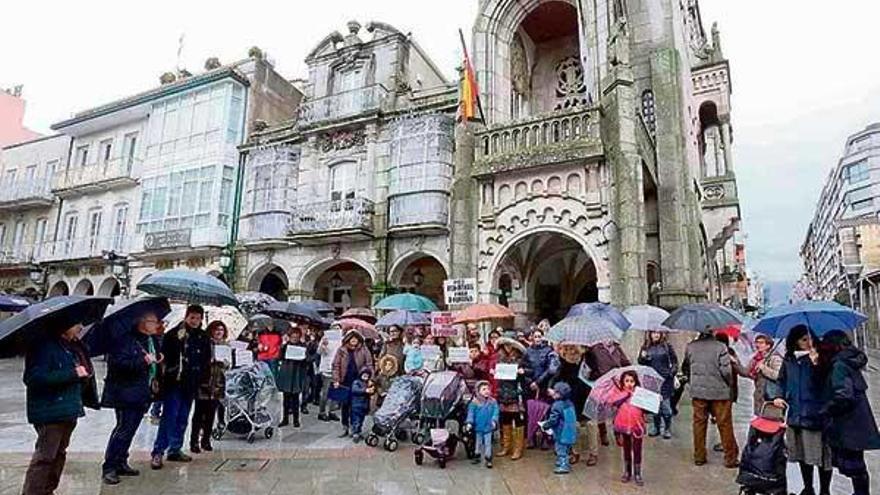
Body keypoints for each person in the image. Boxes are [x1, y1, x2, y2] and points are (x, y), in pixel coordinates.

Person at [22, 322, 96, 495]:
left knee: (59, 454)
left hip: (68, 408)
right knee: (45, 457)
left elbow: (82, 370)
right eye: (76, 323)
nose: (80, 327)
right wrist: (72, 373)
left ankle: (48, 490)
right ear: (63, 324)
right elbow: (33, 378)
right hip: (51, 410)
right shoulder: (43, 347)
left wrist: (83, 376)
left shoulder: (73, 346)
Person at [767, 325, 832, 495]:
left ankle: (825, 490)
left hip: (816, 414)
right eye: (804, 340)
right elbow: (781, 380)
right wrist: (778, 396)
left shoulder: (821, 357)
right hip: (795, 413)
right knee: (803, 455)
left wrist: (817, 363)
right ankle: (808, 487)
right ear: (795, 341)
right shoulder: (789, 359)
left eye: (810, 338)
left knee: (822, 456)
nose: (808, 343)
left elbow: (826, 383)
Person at [101, 312, 163, 485]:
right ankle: (110, 467)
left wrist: (157, 361)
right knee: (123, 429)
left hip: (143, 392)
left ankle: (121, 461)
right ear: (142, 323)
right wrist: (143, 361)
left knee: (131, 430)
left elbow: (153, 362)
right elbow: (117, 365)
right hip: (125, 393)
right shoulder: (124, 340)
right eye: (153, 321)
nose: (157, 324)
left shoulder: (152, 341)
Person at [818, 330, 880, 495]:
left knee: (855, 466)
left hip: (848, 425)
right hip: (858, 423)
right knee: (858, 466)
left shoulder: (839, 365)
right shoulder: (850, 360)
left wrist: (826, 409)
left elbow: (843, 395)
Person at [151, 305, 209, 469]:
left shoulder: (203, 337)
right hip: (174, 382)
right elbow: (164, 357)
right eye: (192, 318)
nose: (195, 321)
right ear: (186, 316)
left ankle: (175, 449)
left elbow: (206, 359)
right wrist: (180, 342)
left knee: (183, 417)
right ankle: (158, 451)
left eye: (198, 318)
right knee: (170, 416)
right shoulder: (173, 334)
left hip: (191, 383)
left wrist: (202, 379)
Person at [682, 330, 738, 468]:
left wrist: (693, 382)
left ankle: (699, 456)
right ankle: (730, 458)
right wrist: (729, 384)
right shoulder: (721, 347)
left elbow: (685, 368)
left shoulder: (691, 346)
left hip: (698, 393)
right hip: (720, 392)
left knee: (699, 424)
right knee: (724, 424)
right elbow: (726, 371)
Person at [584, 339, 631, 463]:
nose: (608, 338)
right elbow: (589, 365)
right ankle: (595, 449)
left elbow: (626, 364)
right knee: (595, 416)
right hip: (600, 385)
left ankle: (617, 433)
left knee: (618, 412)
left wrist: (626, 373)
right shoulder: (594, 348)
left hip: (616, 384)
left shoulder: (617, 348)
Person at [190, 320, 229, 453]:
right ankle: (194, 441)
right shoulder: (205, 343)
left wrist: (226, 363)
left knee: (211, 414)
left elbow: (229, 365)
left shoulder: (226, 346)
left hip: (218, 384)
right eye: (216, 329)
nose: (219, 332)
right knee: (199, 414)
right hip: (204, 383)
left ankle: (206, 440)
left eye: (221, 330)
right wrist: (208, 361)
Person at [331, 330, 374, 437]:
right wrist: (336, 379)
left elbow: (369, 364)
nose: (354, 341)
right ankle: (345, 426)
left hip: (360, 382)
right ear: (348, 339)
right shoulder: (342, 350)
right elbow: (336, 365)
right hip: (345, 381)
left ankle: (356, 427)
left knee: (358, 406)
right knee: (345, 405)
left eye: (355, 339)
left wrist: (370, 378)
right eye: (352, 338)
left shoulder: (364, 350)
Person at [637, 331, 678, 438]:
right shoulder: (646, 346)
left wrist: (671, 372)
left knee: (666, 408)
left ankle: (667, 428)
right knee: (654, 408)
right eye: (653, 333)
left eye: (658, 333)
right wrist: (643, 357)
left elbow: (674, 361)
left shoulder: (667, 346)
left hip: (665, 381)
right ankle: (656, 427)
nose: (656, 335)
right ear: (650, 334)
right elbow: (641, 362)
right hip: (651, 381)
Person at [494, 336, 527, 461]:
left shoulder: (521, 358)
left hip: (516, 392)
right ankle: (506, 446)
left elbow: (530, 371)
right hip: (503, 392)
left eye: (509, 345)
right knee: (505, 420)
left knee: (518, 419)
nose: (508, 347)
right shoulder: (499, 358)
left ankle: (518, 448)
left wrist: (523, 372)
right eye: (505, 345)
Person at [612, 370, 646, 485]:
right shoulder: (620, 394)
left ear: (636, 382)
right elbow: (614, 403)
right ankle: (627, 471)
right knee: (626, 448)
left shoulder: (640, 394)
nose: (629, 383)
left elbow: (647, 408)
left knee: (637, 449)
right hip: (624, 425)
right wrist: (625, 395)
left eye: (632, 381)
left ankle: (637, 473)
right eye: (627, 381)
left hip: (637, 426)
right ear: (622, 382)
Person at [541, 382, 578, 475]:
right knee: (567, 448)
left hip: (561, 432)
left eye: (555, 392)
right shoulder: (570, 403)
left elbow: (553, 420)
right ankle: (564, 461)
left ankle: (563, 464)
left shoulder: (557, 405)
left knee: (560, 449)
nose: (553, 393)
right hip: (571, 430)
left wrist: (545, 425)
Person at [277, 326, 310, 428]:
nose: (294, 338)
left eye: (296, 337)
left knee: (296, 398)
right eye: (292, 336)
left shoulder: (302, 346)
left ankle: (296, 419)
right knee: (286, 398)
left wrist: (304, 357)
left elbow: (307, 360)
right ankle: (285, 418)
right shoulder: (286, 346)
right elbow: (280, 357)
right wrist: (283, 346)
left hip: (297, 374)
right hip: (287, 373)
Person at [746, 334, 782, 416]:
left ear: (768, 345)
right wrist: (735, 361)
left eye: (761, 343)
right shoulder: (756, 358)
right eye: (757, 342)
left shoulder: (775, 358)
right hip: (758, 396)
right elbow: (746, 373)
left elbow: (778, 375)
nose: (758, 345)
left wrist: (763, 367)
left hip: (769, 396)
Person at [466, 380, 500, 468]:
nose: (486, 391)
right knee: (478, 442)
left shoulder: (493, 402)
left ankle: (488, 458)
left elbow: (496, 412)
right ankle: (477, 455)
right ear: (478, 391)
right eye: (484, 389)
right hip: (478, 427)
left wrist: (494, 420)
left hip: (488, 427)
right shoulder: (474, 403)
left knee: (488, 443)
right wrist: (469, 422)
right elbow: (471, 413)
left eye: (488, 389)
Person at [317, 327, 341, 422]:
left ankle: (332, 411)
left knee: (335, 391)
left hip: (337, 368)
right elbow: (319, 352)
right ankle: (322, 412)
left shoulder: (341, 339)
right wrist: (323, 346)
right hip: (327, 368)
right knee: (325, 391)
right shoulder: (325, 338)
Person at [350, 368, 373, 443]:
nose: (366, 376)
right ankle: (355, 432)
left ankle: (358, 431)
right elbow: (354, 390)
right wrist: (365, 390)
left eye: (367, 375)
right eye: (364, 375)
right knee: (356, 420)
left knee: (361, 420)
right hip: (357, 405)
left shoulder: (367, 383)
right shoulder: (356, 382)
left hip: (364, 405)